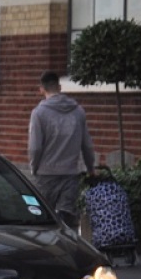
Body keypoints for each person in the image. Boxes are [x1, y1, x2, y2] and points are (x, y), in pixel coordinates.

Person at [28, 69, 95, 229]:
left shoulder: (39, 113)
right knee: (69, 219)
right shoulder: (78, 111)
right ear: (60, 86)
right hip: (71, 173)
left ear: (41, 89)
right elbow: (87, 144)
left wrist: (34, 167)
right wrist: (91, 167)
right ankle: (68, 250)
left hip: (46, 174)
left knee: (43, 219)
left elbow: (35, 147)